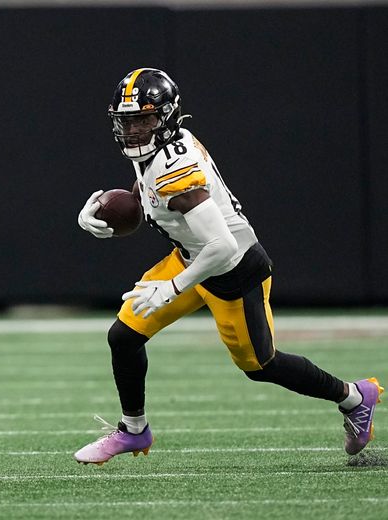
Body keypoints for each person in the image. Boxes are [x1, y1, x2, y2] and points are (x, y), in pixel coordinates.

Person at [74, 68, 382, 465]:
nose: (134, 130)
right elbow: (149, 195)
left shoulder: (175, 167)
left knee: (261, 365)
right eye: (128, 121)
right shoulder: (157, 148)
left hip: (233, 269)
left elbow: (222, 247)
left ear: (165, 117)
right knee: (124, 335)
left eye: (144, 120)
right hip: (190, 256)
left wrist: (172, 287)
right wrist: (100, 210)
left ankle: (356, 397)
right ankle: (133, 430)